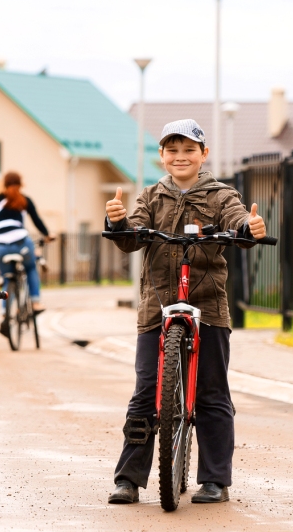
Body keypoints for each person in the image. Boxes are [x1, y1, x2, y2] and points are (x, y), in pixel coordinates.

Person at [105, 119, 267, 505]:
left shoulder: (220, 194)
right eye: (172, 150)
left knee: (212, 393)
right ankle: (129, 478)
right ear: (161, 156)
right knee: (146, 392)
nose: (180, 157)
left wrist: (248, 226)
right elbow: (131, 236)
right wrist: (118, 222)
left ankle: (215, 480)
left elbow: (237, 222)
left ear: (203, 154)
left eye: (189, 150)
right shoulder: (150, 196)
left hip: (208, 306)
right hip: (156, 305)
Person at [0, 172, 53, 326]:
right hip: (21, 242)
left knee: (7, 277)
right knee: (31, 267)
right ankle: (36, 303)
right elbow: (36, 220)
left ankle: (4, 313)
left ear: (4, 184)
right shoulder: (24, 200)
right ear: (20, 184)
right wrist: (47, 234)